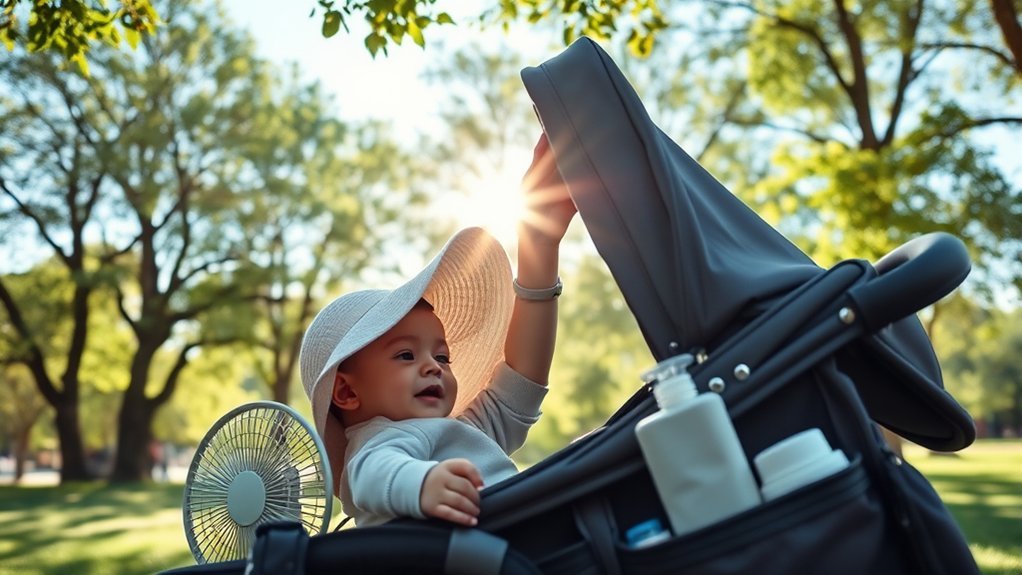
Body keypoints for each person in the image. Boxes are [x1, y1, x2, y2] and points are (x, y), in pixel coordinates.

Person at [299, 134, 575, 527]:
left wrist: (540, 246)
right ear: (346, 391)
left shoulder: (460, 432)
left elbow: (521, 381)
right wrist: (422, 482)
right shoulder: (379, 442)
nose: (435, 367)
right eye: (406, 355)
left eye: (442, 356)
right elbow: (370, 475)